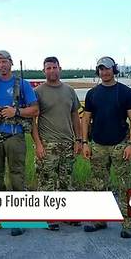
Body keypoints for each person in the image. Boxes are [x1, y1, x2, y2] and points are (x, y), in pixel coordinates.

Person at [0, 50, 39, 236]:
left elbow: (35, 110)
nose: (2, 65)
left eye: (5, 61)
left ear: (11, 63)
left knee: (17, 177)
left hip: (14, 137)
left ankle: (18, 220)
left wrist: (16, 112)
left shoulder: (22, 84)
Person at [81, 56, 131, 238]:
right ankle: (100, 219)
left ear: (114, 70)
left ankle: (129, 223)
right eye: (101, 69)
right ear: (97, 71)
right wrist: (84, 143)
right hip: (98, 145)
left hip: (120, 145)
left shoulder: (126, 92)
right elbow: (85, 120)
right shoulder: (92, 94)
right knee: (98, 185)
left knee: (125, 186)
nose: (104, 72)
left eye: (107, 68)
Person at [31, 56, 82, 231]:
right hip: (47, 144)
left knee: (66, 181)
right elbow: (33, 121)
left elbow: (75, 116)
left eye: (54, 67)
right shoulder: (38, 92)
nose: (52, 71)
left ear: (60, 68)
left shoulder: (69, 91)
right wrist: (38, 144)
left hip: (67, 144)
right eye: (48, 68)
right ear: (43, 71)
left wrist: (79, 140)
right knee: (47, 182)